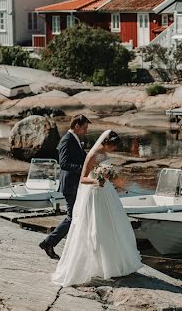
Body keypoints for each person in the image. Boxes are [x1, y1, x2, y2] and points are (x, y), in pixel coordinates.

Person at [51, 130, 142, 287]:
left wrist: (112, 178)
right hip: (94, 196)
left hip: (107, 194)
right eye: (113, 146)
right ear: (106, 142)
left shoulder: (105, 154)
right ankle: (95, 265)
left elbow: (108, 174)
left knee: (113, 227)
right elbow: (83, 178)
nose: (113, 150)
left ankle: (113, 264)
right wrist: (96, 181)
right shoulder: (92, 155)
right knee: (95, 229)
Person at [39, 114, 90, 260]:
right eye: (84, 128)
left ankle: (58, 244)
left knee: (77, 217)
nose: (86, 131)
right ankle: (48, 242)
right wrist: (83, 169)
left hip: (76, 184)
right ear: (77, 126)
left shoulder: (75, 139)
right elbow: (64, 164)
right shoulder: (66, 140)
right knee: (72, 217)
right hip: (70, 185)